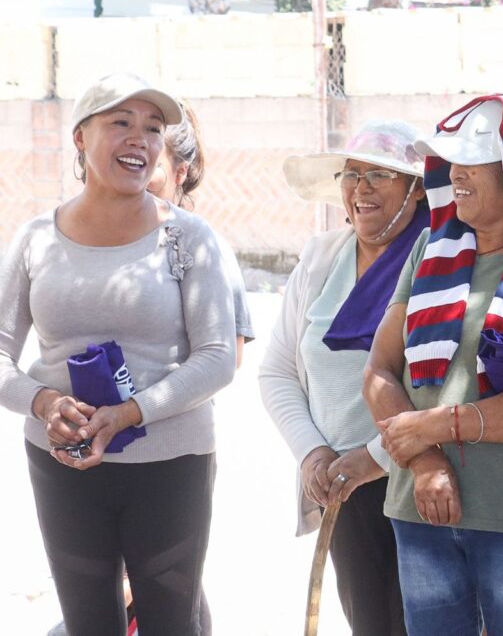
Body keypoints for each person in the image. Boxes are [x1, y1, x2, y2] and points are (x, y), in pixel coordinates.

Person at [0, 72, 237, 635]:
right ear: (81, 138)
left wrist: (130, 413)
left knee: (170, 625)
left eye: (153, 128)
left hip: (170, 465)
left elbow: (218, 357)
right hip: (62, 464)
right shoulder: (35, 238)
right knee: (89, 625)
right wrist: (43, 402)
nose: (141, 139)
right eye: (121, 123)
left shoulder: (190, 238)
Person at [363, 95, 503, 636]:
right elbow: (378, 370)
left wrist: (435, 426)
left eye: (473, 161)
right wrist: (425, 461)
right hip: (419, 509)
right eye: (450, 161)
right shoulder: (429, 248)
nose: (454, 172)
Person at [260, 121, 427, 636]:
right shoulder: (321, 257)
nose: (361, 189)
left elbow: (439, 383)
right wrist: (314, 453)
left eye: (380, 174)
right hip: (342, 484)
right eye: (351, 175)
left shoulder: (438, 260)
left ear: (416, 189)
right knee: (371, 623)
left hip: (423, 475)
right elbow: (278, 369)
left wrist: (373, 458)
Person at [146, 98, 254, 362]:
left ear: (180, 172)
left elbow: (231, 356)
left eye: (154, 165)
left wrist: (144, 403)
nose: (140, 175)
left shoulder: (205, 246)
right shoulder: (103, 237)